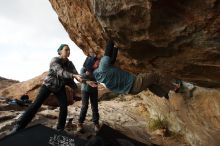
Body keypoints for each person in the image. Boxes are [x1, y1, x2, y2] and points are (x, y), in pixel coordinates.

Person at [11, 44, 94, 134]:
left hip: (59, 87)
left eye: (69, 50)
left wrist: (86, 81)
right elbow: (60, 72)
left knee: (64, 107)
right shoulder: (54, 60)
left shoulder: (70, 64)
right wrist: (73, 75)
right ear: (60, 51)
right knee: (36, 105)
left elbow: (77, 75)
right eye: (66, 50)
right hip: (48, 85)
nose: (68, 52)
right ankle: (19, 126)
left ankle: (60, 129)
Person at [84, 40, 181, 99]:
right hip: (134, 83)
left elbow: (112, 60)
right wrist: (111, 36)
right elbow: (108, 50)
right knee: (154, 75)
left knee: (149, 82)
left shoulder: (99, 76)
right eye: (95, 60)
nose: (97, 59)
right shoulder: (102, 68)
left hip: (131, 90)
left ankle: (163, 93)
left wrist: (116, 48)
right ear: (93, 65)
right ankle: (175, 87)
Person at [77, 56, 100, 133]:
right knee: (84, 106)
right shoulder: (83, 69)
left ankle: (96, 123)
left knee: (95, 107)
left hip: (94, 90)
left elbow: (99, 78)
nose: (98, 65)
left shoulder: (97, 69)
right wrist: (86, 74)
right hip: (85, 90)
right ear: (92, 62)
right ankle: (80, 123)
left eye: (98, 63)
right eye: (96, 63)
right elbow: (80, 78)